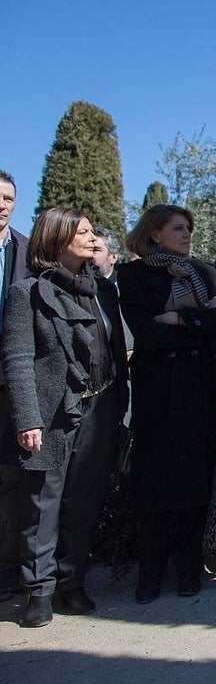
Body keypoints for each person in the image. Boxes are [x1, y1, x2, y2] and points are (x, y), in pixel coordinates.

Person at [0, 208, 128, 628]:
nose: (93, 239)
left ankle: (72, 582)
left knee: (83, 499)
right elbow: (18, 360)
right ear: (57, 238)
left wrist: (120, 404)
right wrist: (26, 420)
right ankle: (39, 590)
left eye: (94, 232)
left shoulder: (103, 291)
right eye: (84, 232)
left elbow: (115, 353)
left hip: (99, 406)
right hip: (50, 412)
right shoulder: (28, 292)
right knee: (42, 503)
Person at [118, 205, 216, 604]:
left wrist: (179, 321)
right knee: (155, 488)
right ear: (154, 234)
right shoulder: (132, 275)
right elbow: (145, 333)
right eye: (178, 228)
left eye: (189, 228)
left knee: (195, 483)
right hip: (158, 395)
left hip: (200, 390)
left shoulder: (201, 272)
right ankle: (149, 573)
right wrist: (195, 325)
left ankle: (189, 569)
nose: (187, 235)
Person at [0, 169, 31, 599]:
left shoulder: (26, 253)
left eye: (8, 197)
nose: (2, 204)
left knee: (11, 479)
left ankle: (9, 568)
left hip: (11, 383)